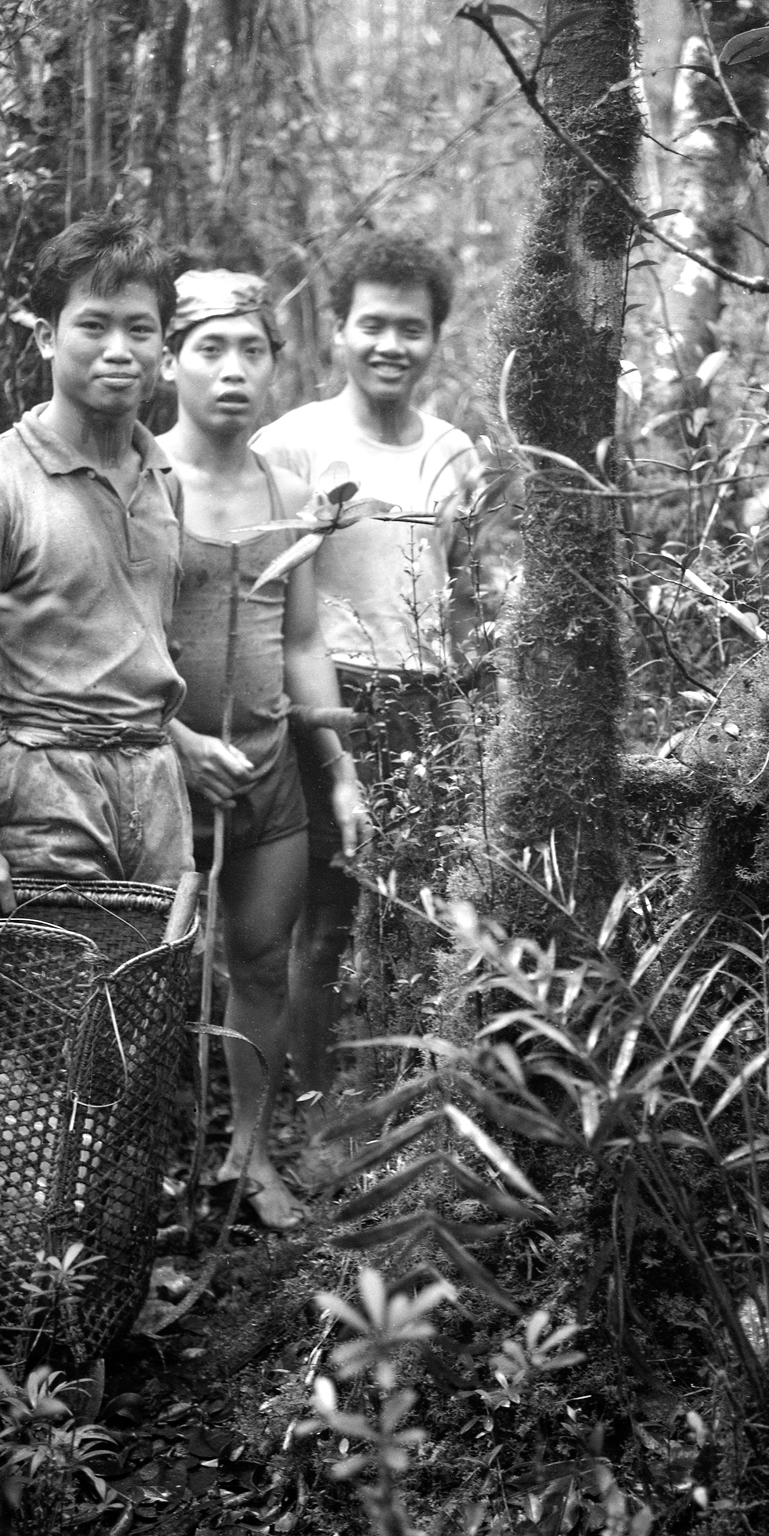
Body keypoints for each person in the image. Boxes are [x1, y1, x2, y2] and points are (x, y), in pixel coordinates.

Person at [251, 232, 488, 1112]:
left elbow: (458, 586)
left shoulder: (456, 453)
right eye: (373, 326)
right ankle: (316, 1116)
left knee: (413, 913)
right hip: (324, 699)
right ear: (338, 335)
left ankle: (396, 1105)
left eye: (412, 329)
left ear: (435, 339)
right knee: (323, 922)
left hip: (424, 699)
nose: (392, 346)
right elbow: (269, 594)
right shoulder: (294, 443)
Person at [160, 269, 368, 1231]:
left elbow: (301, 640)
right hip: (157, 774)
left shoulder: (290, 489)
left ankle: (247, 1151)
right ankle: (137, 1163)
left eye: (252, 350)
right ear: (169, 360)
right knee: (149, 967)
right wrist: (176, 737)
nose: (233, 371)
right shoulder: (137, 480)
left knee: (258, 958)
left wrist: (340, 771)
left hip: (270, 772)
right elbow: (97, 650)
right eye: (210, 349)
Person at [0, 214, 189, 917]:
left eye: (140, 328)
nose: (119, 349)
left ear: (164, 346)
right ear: (45, 336)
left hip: (155, 784)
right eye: (93, 325)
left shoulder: (165, 480)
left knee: (148, 1008)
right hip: (41, 779)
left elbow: (141, 641)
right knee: (48, 1007)